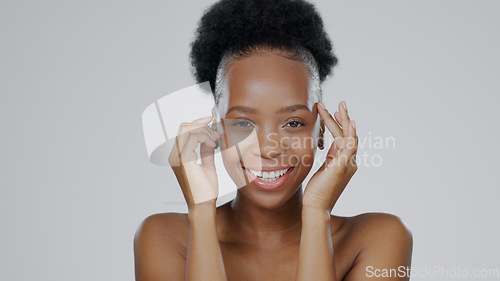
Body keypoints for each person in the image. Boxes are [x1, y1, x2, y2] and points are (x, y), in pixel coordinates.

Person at [134, 0, 413, 280]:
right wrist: (201, 213)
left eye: (293, 123)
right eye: (243, 123)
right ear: (217, 132)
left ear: (321, 132)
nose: (268, 148)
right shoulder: (165, 237)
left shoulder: (377, 238)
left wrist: (317, 213)